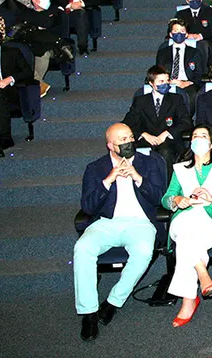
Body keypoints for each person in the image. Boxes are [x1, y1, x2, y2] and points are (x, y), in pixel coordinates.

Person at [74, 123, 166, 341]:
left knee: (143, 252)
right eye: (123, 140)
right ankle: (88, 312)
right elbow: (88, 207)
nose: (129, 142)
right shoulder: (95, 168)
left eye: (131, 137)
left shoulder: (149, 163)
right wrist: (108, 180)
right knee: (82, 248)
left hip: (140, 223)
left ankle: (113, 302)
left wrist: (137, 177)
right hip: (106, 222)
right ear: (110, 145)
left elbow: (160, 198)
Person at [162, 125, 212, 327]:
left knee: (186, 240)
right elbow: (166, 198)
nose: (198, 139)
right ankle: (202, 272)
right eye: (195, 136)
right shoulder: (180, 169)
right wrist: (177, 199)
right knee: (187, 226)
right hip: (185, 216)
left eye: (203, 136)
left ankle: (189, 300)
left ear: (211, 143)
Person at [122, 66, 193, 172]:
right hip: (146, 140)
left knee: (165, 151)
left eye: (167, 81)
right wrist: (143, 134)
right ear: (151, 83)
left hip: (169, 141)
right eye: (161, 81)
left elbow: (186, 122)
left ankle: (167, 182)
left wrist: (167, 133)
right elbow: (128, 122)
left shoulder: (176, 99)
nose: (165, 84)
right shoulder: (140, 101)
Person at [155, 19, 206, 105]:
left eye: (182, 31)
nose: (179, 34)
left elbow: (199, 74)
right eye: (175, 31)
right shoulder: (163, 52)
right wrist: (168, 81)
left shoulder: (195, 52)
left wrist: (186, 83)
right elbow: (158, 72)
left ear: (186, 34)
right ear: (171, 34)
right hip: (168, 83)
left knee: (190, 96)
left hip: (188, 84)